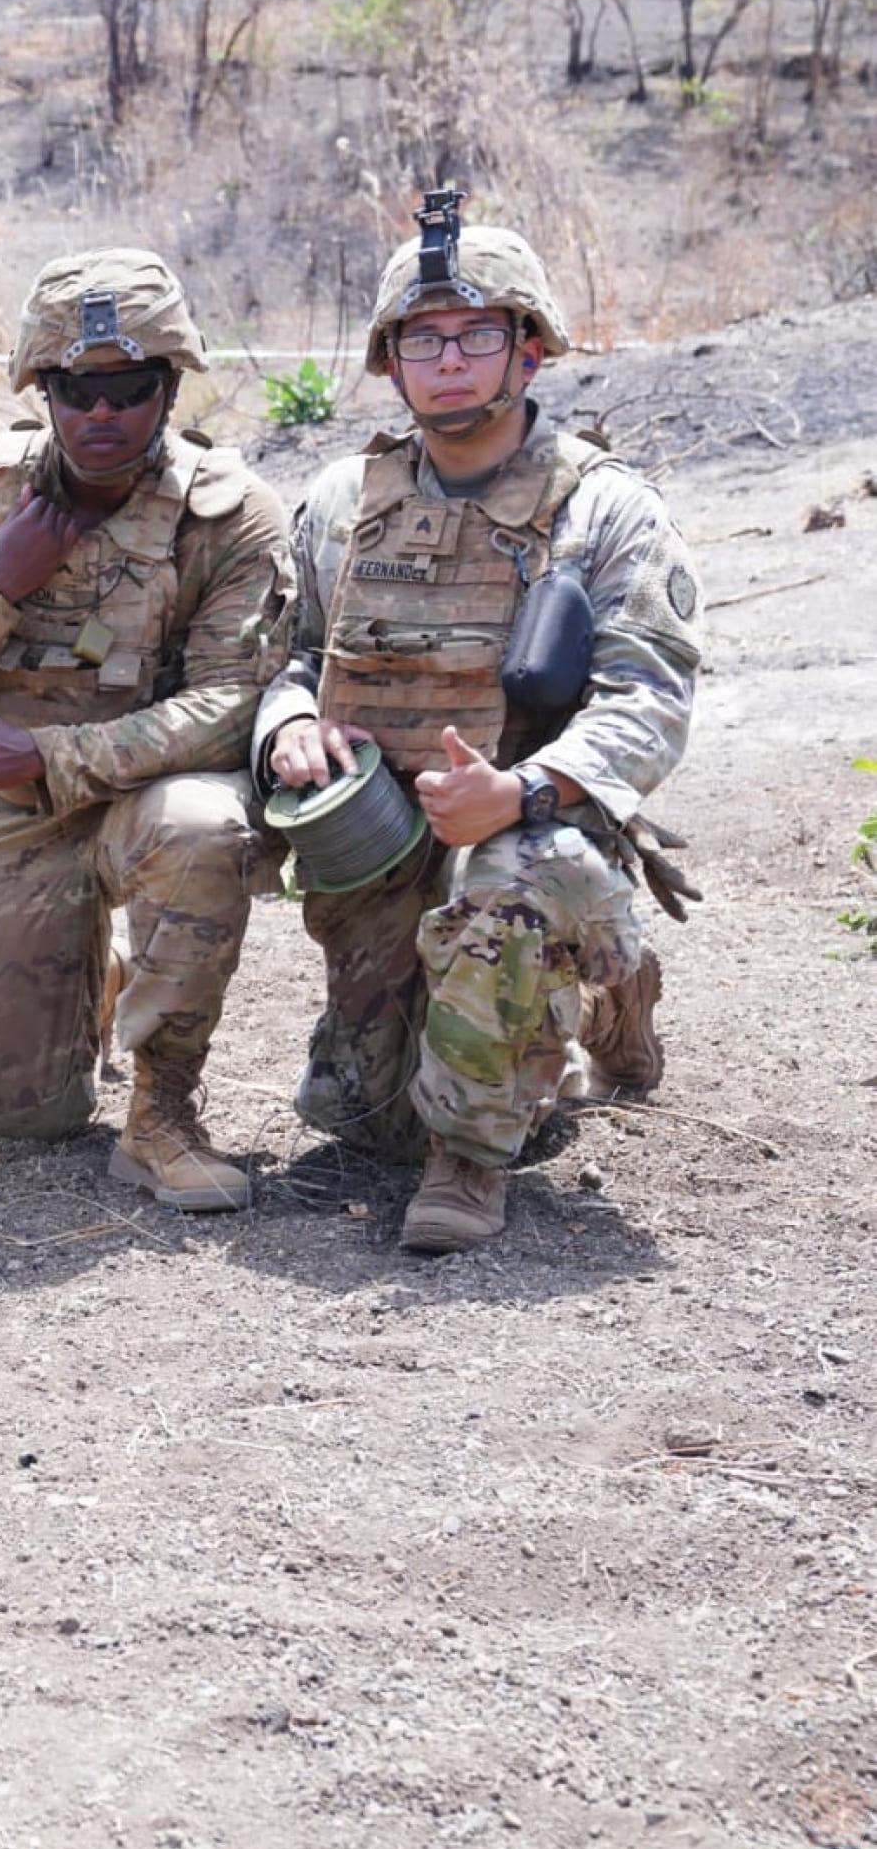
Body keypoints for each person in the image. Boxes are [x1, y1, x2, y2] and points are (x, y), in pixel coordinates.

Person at [253, 193, 703, 1252]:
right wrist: (290, 724)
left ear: (530, 353)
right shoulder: (336, 502)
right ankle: (591, 993)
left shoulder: (604, 508)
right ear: (390, 360)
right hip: (375, 832)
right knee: (365, 1124)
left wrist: (520, 791)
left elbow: (650, 692)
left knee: (514, 891)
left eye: (478, 335)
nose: (448, 360)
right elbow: (289, 658)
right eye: (422, 339)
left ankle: (473, 1159)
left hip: (524, 824)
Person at [0, 248, 292, 1211]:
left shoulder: (231, 515)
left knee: (202, 829)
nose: (104, 415)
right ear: (42, 388)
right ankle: (92, 979)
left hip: (147, 800)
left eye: (131, 389)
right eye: (78, 390)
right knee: (17, 1114)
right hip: (23, 818)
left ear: (170, 388)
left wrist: (49, 754)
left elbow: (230, 703)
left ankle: (162, 1113)